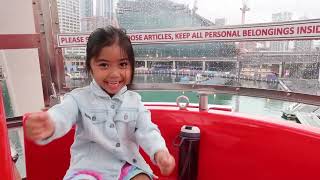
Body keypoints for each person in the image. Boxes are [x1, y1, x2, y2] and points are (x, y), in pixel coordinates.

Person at [24, 26, 175, 180]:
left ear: (131, 66)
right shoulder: (78, 98)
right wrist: (50, 123)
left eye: (122, 64)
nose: (114, 74)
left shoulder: (135, 102)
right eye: (104, 65)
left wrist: (159, 152)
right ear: (90, 66)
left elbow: (147, 131)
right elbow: (63, 113)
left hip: (126, 166)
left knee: (142, 178)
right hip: (88, 169)